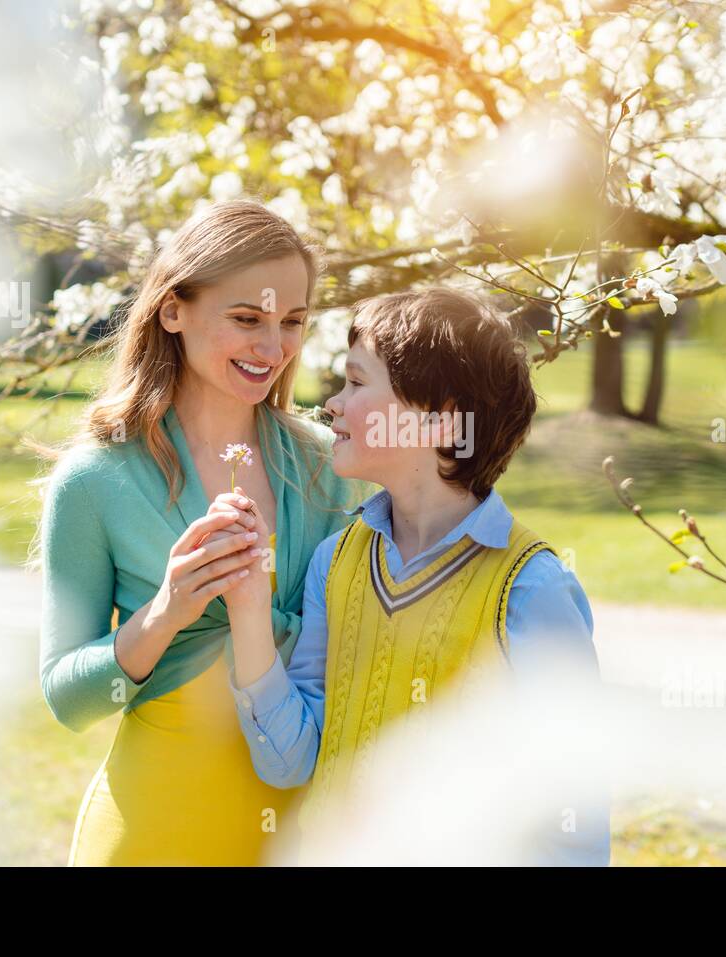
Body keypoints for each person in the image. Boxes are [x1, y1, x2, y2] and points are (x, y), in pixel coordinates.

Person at [217, 287, 611, 865]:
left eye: (355, 382)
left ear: (440, 416)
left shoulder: (531, 590)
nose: (332, 405)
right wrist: (248, 608)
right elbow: (291, 762)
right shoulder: (337, 561)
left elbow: (575, 824)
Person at [33, 200, 359, 865]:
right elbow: (68, 699)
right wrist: (165, 613)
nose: (272, 348)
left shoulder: (327, 466)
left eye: (291, 322)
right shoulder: (94, 481)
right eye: (247, 319)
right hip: (152, 834)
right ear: (172, 309)